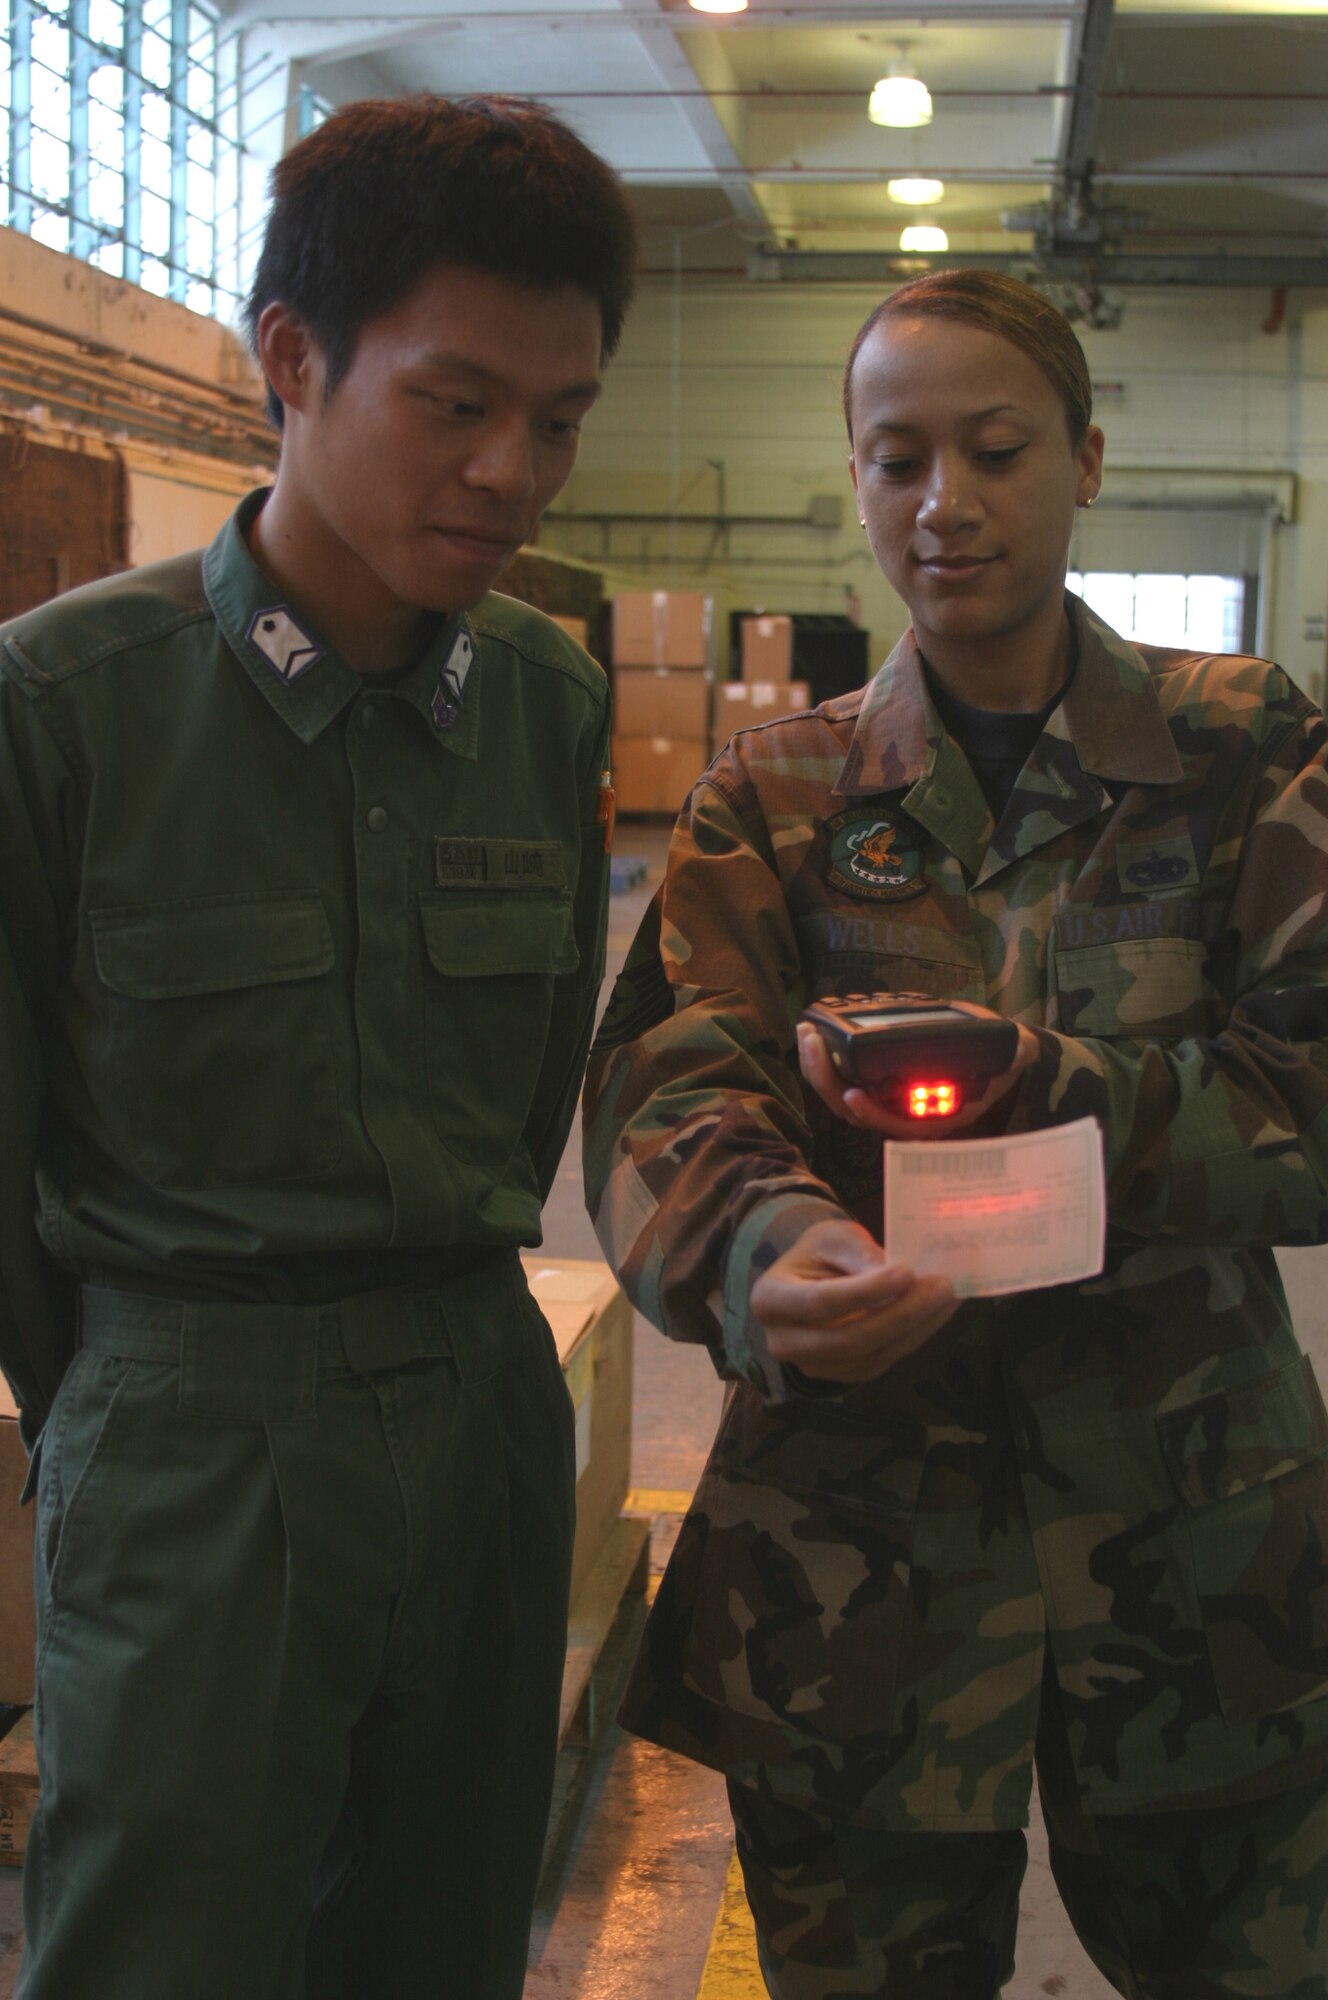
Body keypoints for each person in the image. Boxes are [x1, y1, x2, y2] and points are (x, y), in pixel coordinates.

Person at [584, 270, 1328, 1998]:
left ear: (1080, 456)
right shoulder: (775, 794)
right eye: (897, 456)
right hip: (862, 1559)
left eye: (994, 449)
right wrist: (766, 1252)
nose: (946, 502)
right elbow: (666, 1085)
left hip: (1199, 1547)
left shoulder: (1250, 757)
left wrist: (1058, 1085)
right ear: (854, 479)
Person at [0, 93, 635, 1999]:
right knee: (160, 1955)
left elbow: (534, 1090)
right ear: (292, 359)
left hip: (478, 1394)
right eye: (456, 403)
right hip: (195, 1417)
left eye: (559, 420)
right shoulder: (69, 706)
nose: (513, 470)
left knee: (442, 1943)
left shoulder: (545, 699)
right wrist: (119, 1412)